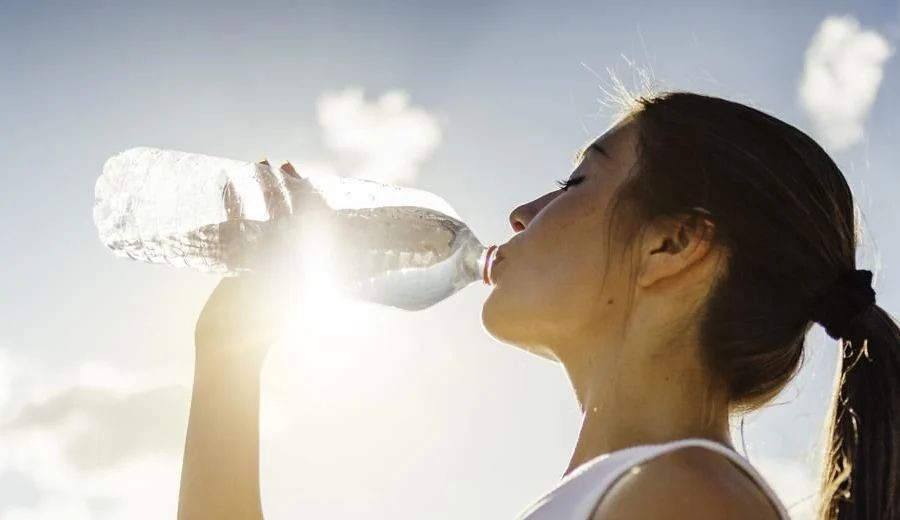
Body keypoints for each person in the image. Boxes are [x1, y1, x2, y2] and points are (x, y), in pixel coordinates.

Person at [177, 91, 900, 520]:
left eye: (575, 182)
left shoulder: (685, 499)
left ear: (671, 244)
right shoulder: (639, 493)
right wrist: (229, 354)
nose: (522, 214)